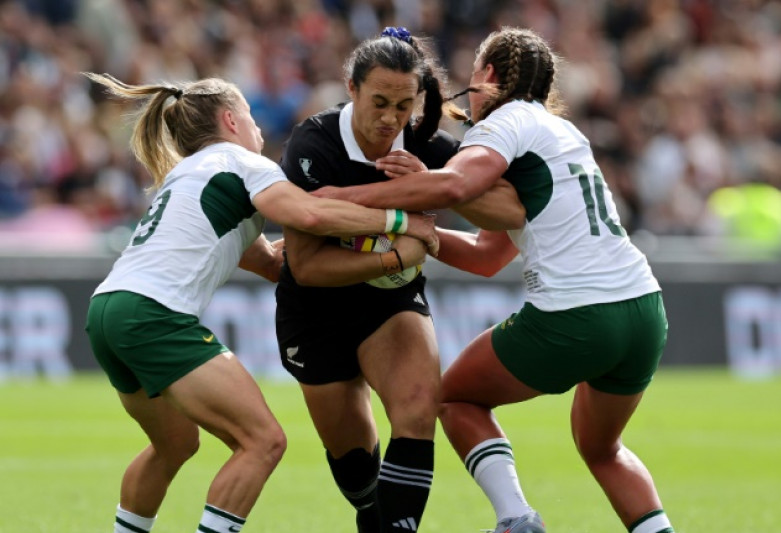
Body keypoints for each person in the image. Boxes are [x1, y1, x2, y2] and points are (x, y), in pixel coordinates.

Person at [314, 27, 676, 533]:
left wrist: (344, 199)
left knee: (453, 398)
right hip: (643, 309)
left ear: (487, 75)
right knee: (602, 449)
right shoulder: (561, 134)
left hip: (576, 312)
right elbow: (488, 255)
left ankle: (516, 519)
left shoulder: (504, 121)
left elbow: (458, 181)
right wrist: (425, 230)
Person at [82, 72, 438, 533]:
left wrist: (317, 255)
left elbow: (266, 259)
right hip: (154, 315)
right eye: (251, 117)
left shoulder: (187, 175)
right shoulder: (244, 163)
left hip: (107, 310)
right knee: (263, 441)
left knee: (174, 445)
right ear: (231, 120)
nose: (260, 130)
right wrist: (400, 224)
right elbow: (311, 213)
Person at [274, 27, 524, 533]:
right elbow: (305, 267)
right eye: (379, 102)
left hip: (393, 305)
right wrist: (398, 248)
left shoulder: (431, 148)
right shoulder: (312, 145)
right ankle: (372, 514)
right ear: (351, 88)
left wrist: (436, 186)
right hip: (316, 310)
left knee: (416, 411)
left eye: (403, 105)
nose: (390, 119)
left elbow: (510, 208)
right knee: (357, 474)